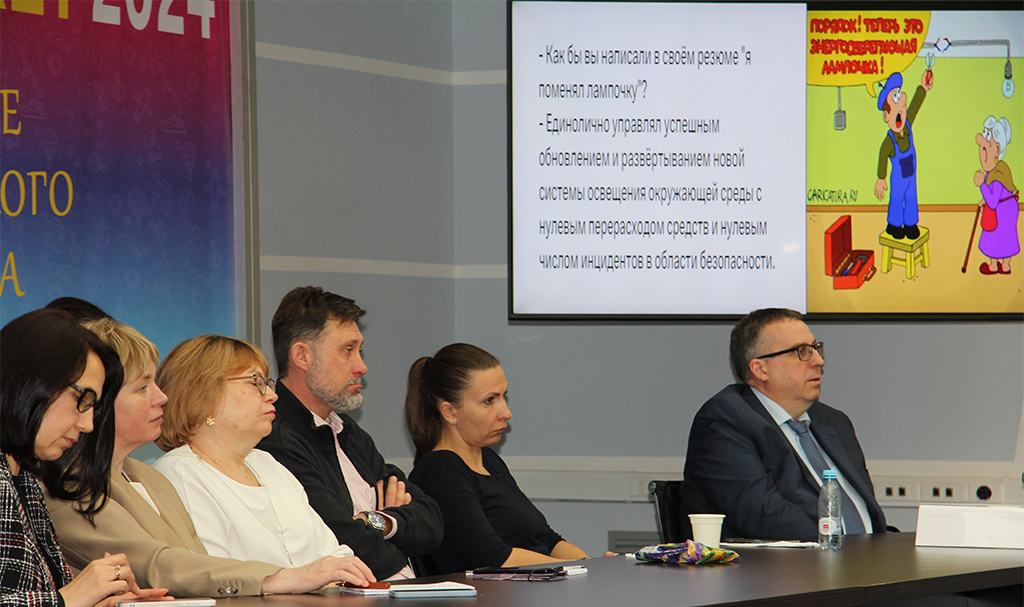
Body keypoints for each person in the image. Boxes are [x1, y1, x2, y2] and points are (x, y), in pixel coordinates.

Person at [46, 320, 375, 596]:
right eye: (143, 387)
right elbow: (161, 565)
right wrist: (281, 578)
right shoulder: (69, 483)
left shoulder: (150, 477)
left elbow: (192, 560)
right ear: (101, 400)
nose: (162, 398)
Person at [150, 335, 375, 588]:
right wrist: (305, 579)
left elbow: (336, 556)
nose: (271, 395)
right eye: (255, 382)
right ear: (203, 396)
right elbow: (213, 577)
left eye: (267, 383)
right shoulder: (179, 472)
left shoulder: (267, 463)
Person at [257, 287, 442, 580]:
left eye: (359, 350)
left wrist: (376, 520)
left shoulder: (348, 432)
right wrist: (395, 532)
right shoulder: (273, 437)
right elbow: (341, 540)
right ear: (302, 356)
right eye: (347, 350)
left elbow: (432, 523)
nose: (362, 367)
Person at [0, 309, 167, 607]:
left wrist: (98, 600)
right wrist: (70, 597)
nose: (88, 424)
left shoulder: (25, 480)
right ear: (32, 381)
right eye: (82, 400)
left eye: (94, 407)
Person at [679, 308, 887, 541]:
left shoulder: (834, 422)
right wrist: (842, 550)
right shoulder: (725, 420)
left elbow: (869, 515)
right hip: (792, 563)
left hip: (868, 556)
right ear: (760, 369)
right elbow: (763, 516)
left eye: (815, 348)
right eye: (801, 352)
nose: (818, 361)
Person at [405, 343, 610, 574]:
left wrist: (594, 566)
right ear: (449, 412)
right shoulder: (440, 470)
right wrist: (574, 569)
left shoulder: (489, 460)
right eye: (489, 400)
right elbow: (495, 558)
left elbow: (548, 540)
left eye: (504, 397)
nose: (506, 413)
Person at [874, 70, 933, 240]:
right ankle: (894, 225)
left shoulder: (907, 126)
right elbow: (882, 155)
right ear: (887, 116)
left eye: (903, 110)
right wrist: (881, 178)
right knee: (897, 199)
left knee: (911, 198)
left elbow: (915, 106)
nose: (902, 113)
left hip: (911, 177)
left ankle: (910, 224)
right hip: (898, 179)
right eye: (896, 112)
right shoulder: (890, 140)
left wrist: (923, 87)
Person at [975, 116, 1019, 275]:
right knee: (1003, 235)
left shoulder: (998, 176)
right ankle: (1004, 265)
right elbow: (993, 195)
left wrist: (981, 185)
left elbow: (993, 201)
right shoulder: (996, 170)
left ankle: (996, 266)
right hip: (1006, 207)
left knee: (996, 235)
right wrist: (984, 198)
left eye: (986, 149)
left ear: (998, 149)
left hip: (1002, 210)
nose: (982, 155)